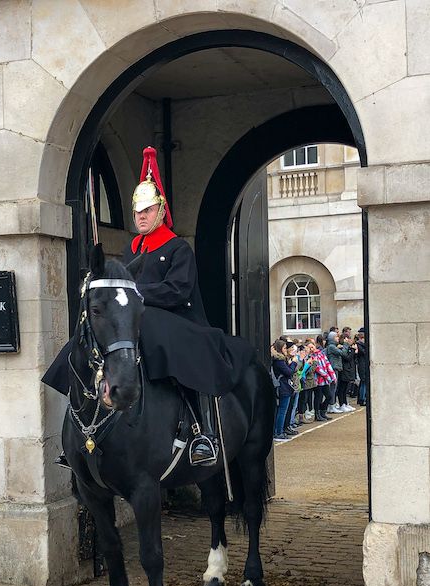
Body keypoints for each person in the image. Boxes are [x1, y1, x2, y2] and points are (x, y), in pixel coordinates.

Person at [43, 146, 254, 468]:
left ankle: (202, 432)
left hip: (178, 316)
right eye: (137, 211)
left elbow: (177, 290)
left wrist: (135, 293)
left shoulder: (177, 247)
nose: (141, 216)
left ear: (160, 211)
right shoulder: (133, 248)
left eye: (148, 210)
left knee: (186, 356)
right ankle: (81, 428)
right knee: (82, 346)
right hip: (140, 317)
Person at [271, 339, 296, 441]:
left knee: (281, 410)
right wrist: (293, 363)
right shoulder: (279, 361)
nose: (286, 350)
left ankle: (279, 431)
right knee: (282, 411)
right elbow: (289, 372)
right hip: (283, 387)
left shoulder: (281, 360)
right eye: (285, 348)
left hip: (284, 386)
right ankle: (278, 432)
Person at [311, 339, 336, 421]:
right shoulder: (311, 356)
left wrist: (333, 376)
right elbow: (317, 368)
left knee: (329, 396)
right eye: (310, 347)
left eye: (313, 346)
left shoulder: (321, 354)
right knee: (318, 397)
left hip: (324, 380)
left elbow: (327, 364)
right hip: (317, 380)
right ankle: (317, 414)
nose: (312, 348)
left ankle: (323, 411)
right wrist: (328, 377)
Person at [338, 331, 357, 412]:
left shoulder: (347, 347)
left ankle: (345, 403)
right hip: (344, 369)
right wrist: (353, 350)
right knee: (342, 388)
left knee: (345, 388)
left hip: (348, 369)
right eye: (349, 338)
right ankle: (342, 404)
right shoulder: (342, 347)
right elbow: (347, 357)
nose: (350, 340)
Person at [325, 330, 344, 414]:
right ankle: (331, 405)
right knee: (333, 388)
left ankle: (332, 404)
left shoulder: (333, 346)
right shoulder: (332, 347)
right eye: (336, 337)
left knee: (334, 388)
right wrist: (345, 346)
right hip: (333, 368)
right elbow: (343, 353)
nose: (338, 338)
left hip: (335, 368)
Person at [356, 328, 367, 406]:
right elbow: (363, 352)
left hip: (364, 364)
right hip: (361, 365)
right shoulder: (358, 344)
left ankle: (362, 398)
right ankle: (362, 399)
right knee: (363, 382)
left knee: (363, 383)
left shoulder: (361, 344)